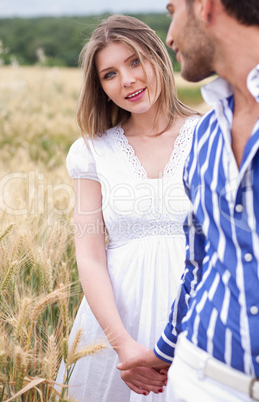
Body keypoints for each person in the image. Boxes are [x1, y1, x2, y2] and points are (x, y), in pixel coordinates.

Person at [118, 0, 259, 401]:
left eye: (172, 11)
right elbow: (200, 262)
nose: (170, 37)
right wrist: (163, 352)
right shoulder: (205, 136)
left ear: (205, 7)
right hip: (196, 377)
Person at [56, 14, 199, 402]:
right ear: (100, 88)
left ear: (159, 57)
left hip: (199, 322)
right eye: (110, 74)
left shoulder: (210, 135)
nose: (128, 80)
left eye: (135, 61)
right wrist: (123, 345)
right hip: (116, 324)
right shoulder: (92, 151)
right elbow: (88, 255)